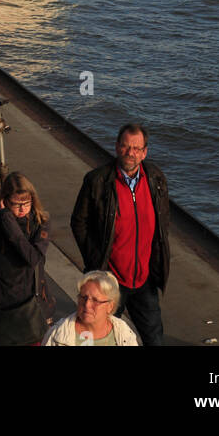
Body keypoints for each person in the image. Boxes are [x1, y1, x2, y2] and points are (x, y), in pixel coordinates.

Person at [70, 122, 170, 347]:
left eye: (136, 149)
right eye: (125, 147)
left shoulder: (156, 179)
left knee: (154, 338)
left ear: (145, 152)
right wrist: (95, 261)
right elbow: (79, 222)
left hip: (144, 279)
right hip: (110, 279)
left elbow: (163, 222)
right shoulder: (97, 181)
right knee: (102, 337)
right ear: (116, 147)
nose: (130, 153)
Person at [0, 171, 51, 346]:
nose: (22, 209)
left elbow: (32, 257)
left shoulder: (41, 222)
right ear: (4, 201)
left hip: (32, 306)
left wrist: (7, 218)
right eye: (16, 204)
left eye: (26, 203)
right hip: (3, 306)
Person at [41, 271, 139, 347]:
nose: (87, 304)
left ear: (110, 306)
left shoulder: (125, 335)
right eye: (84, 297)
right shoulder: (56, 335)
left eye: (95, 300)